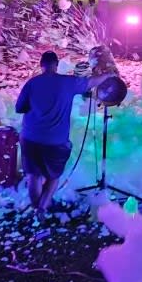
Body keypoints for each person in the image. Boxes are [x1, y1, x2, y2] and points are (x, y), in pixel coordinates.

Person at [15, 51, 112, 217]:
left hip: (30, 137)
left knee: (33, 175)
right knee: (53, 177)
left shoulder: (32, 83)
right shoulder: (67, 82)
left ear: (41, 65)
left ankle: (36, 209)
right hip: (55, 141)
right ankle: (42, 209)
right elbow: (91, 82)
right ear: (56, 65)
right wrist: (108, 75)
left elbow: (19, 108)